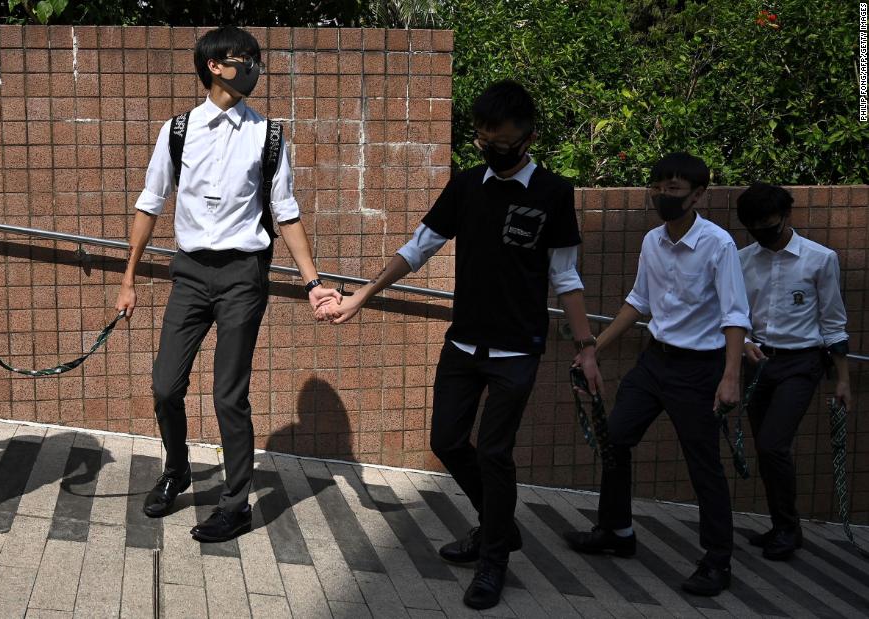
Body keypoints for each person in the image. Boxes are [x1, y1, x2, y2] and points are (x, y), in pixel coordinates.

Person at [320, 80, 603, 610]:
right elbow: (419, 247)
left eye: (502, 141)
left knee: (495, 453)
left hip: (518, 349)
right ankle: (499, 524)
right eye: (482, 139)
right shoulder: (467, 185)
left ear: (528, 137)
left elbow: (566, 277)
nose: (492, 149)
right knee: (448, 442)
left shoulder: (553, 193)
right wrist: (360, 297)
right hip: (465, 344)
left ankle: (493, 557)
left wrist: (586, 345)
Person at [114, 26, 340, 543]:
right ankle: (176, 469)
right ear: (214, 65)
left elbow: (286, 214)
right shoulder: (177, 131)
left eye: (257, 60)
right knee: (165, 385)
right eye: (245, 59)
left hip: (243, 276)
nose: (254, 68)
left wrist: (313, 283)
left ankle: (235, 505)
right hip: (190, 274)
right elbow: (150, 204)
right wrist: (128, 278)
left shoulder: (270, 136)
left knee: (228, 395)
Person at [563, 153, 750, 596]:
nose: (664, 197)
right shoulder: (652, 240)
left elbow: (735, 315)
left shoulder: (718, 244)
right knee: (616, 437)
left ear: (698, 195)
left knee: (703, 463)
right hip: (654, 362)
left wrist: (730, 376)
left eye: (675, 190)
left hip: (699, 369)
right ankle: (616, 531)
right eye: (659, 188)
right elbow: (638, 301)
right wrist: (593, 348)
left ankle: (717, 561)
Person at [735, 182, 852, 560]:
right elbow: (735, 313)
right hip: (756, 361)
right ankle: (780, 524)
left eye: (768, 224)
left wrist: (843, 380)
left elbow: (833, 321)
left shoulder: (820, 259)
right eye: (754, 227)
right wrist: (744, 342)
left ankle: (788, 528)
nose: (762, 233)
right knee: (766, 448)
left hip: (801, 363)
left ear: (786, 216)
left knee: (773, 444)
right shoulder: (742, 259)